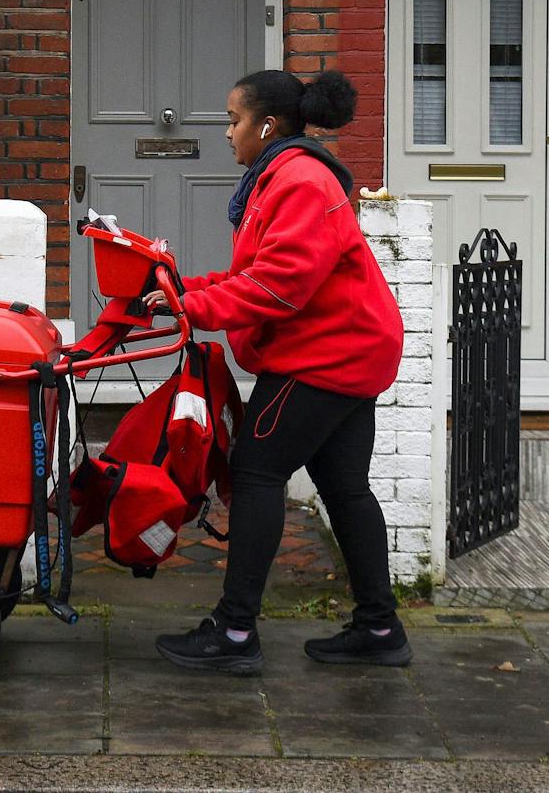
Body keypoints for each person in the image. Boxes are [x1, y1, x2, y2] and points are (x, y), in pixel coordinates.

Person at [147, 68, 409, 674]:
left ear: (267, 125)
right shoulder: (280, 176)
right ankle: (379, 626)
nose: (227, 133)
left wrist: (195, 306)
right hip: (349, 347)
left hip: (325, 355)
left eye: (233, 121)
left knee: (257, 472)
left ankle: (236, 632)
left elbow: (280, 285)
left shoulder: (300, 181)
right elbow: (257, 274)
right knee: (345, 488)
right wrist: (188, 289)